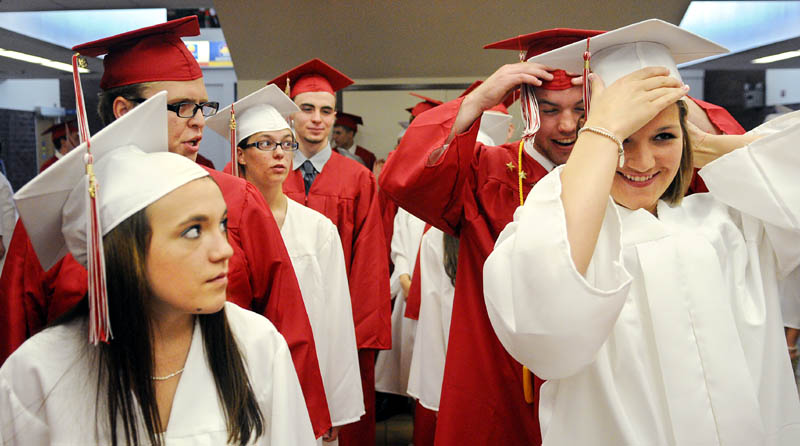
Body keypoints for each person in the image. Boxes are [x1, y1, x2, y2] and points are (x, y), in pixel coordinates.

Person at [0, 16, 332, 438]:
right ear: (125, 111)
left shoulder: (238, 200)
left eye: (203, 107)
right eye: (181, 107)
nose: (198, 121)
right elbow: (17, 334)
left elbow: (289, 330)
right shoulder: (66, 214)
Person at [482, 19, 800, 445]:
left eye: (664, 136)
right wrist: (603, 131)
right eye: (623, 141)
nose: (643, 162)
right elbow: (545, 329)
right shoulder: (558, 223)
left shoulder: (728, 221)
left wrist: (701, 146)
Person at [379, 27, 602, 445]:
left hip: (595, 374)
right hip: (502, 375)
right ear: (526, 105)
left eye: (581, 109)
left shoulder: (620, 173)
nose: (567, 126)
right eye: (550, 109)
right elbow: (403, 180)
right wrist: (479, 99)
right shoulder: (487, 171)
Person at [208, 85, 365, 444]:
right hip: (239, 372)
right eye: (264, 144)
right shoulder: (218, 224)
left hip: (305, 374)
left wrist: (334, 406)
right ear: (241, 155)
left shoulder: (317, 229)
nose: (280, 154)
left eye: (286, 143)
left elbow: (335, 324)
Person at [269, 58, 391, 446]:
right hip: (277, 324)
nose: (317, 119)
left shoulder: (357, 178)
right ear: (291, 114)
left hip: (340, 325)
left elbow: (370, 259)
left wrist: (354, 333)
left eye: (326, 110)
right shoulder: (269, 173)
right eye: (307, 109)